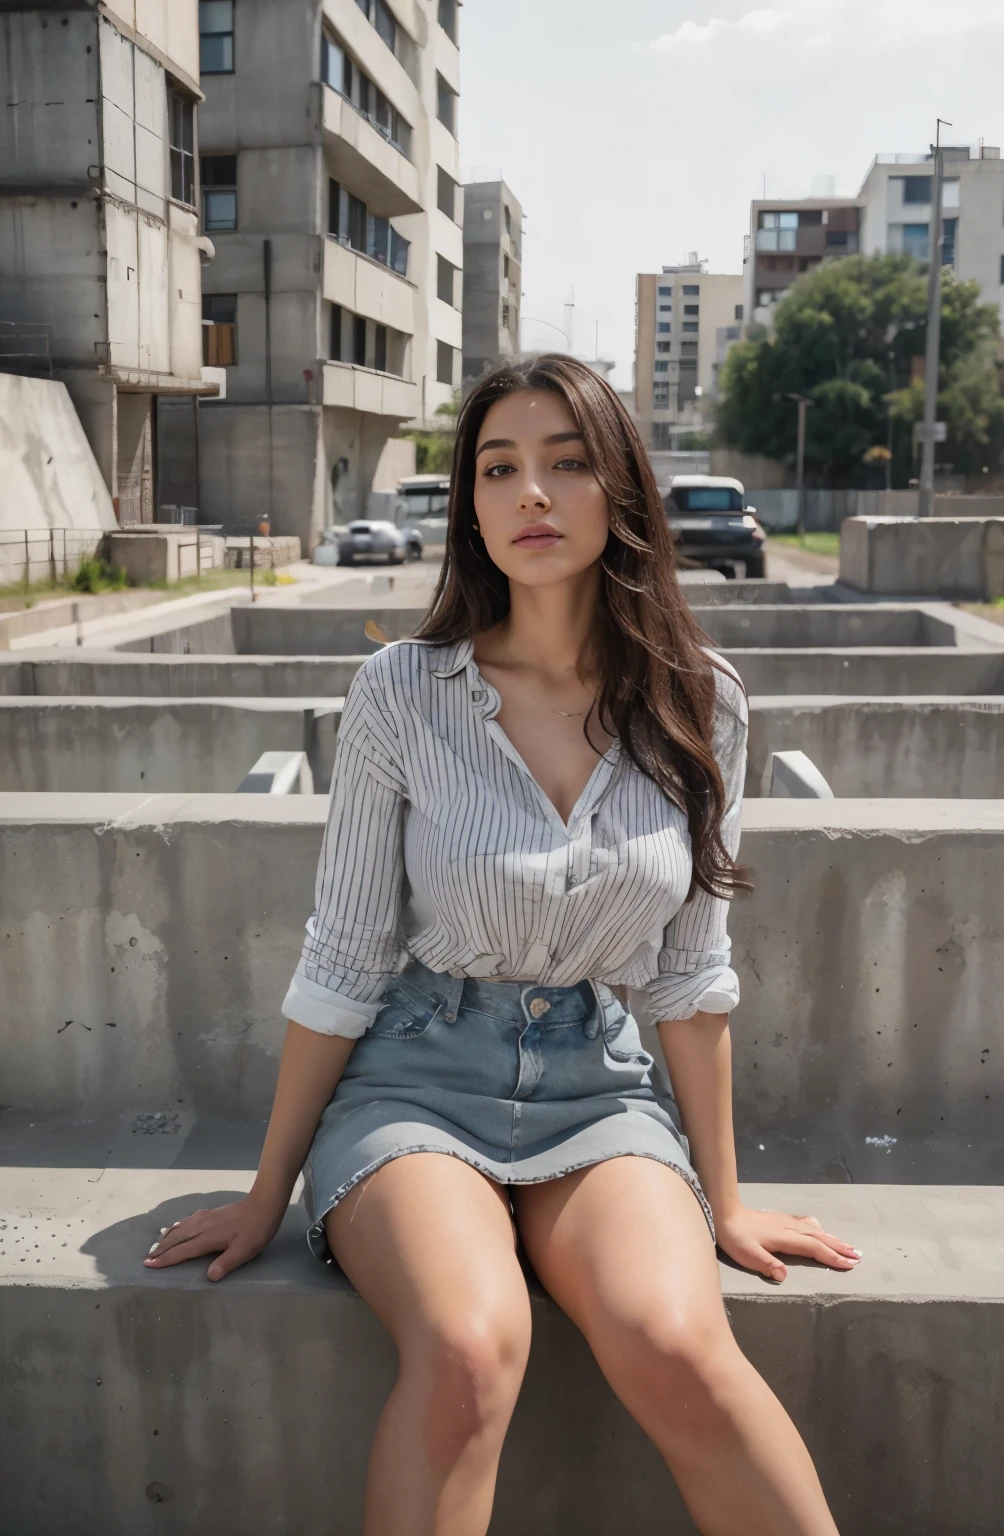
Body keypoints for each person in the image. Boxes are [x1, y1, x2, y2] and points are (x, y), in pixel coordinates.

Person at [145, 356, 858, 1535]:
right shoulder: (400, 693)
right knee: (474, 1347)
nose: (531, 493)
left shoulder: (702, 697)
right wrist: (265, 1190)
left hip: (600, 1085)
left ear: (620, 489)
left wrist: (725, 1200)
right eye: (499, 468)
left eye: (566, 463)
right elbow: (344, 956)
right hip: (416, 1080)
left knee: (677, 1341)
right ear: (470, 506)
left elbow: (691, 976)